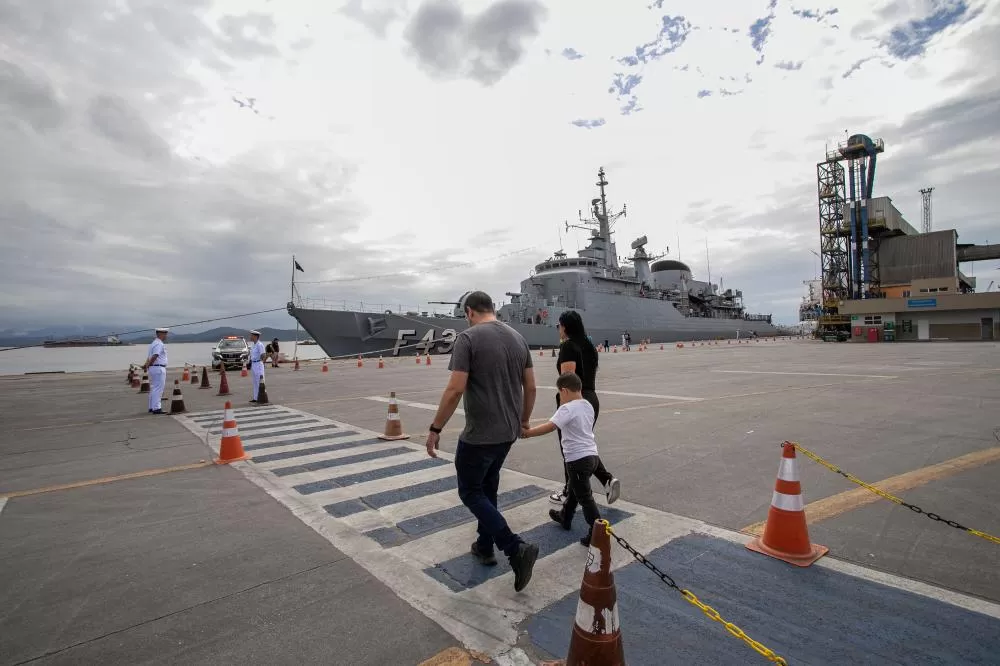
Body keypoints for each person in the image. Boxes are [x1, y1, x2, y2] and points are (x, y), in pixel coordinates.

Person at [425, 290, 540, 592]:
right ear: (492, 308)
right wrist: (524, 421)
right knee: (488, 488)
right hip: (507, 433)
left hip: (480, 435)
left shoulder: (468, 338)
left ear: (469, 312)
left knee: (470, 491)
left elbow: (455, 389)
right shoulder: (518, 338)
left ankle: (514, 548)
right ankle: (485, 546)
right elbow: (531, 387)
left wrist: (436, 428)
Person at [521, 372, 606, 546]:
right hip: (593, 457)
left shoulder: (567, 409)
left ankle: (597, 532)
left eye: (560, 393)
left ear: (564, 391)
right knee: (575, 488)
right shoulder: (588, 405)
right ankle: (565, 516)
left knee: (585, 498)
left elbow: (551, 426)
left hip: (577, 459)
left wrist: (528, 433)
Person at [549, 310, 620, 505]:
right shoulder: (589, 345)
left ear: (565, 326)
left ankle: (568, 492)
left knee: (570, 449)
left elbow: (568, 379)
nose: (558, 329)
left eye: (559, 325)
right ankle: (606, 480)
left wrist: (565, 409)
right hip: (591, 398)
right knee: (583, 445)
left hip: (575, 400)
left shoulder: (568, 346)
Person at [143, 327, 169, 414]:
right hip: (158, 368)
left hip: (154, 368)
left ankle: (151, 407)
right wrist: (148, 364)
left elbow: (149, 357)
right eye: (165, 333)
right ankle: (157, 408)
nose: (166, 335)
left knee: (154, 388)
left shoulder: (153, 343)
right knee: (158, 389)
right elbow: (155, 356)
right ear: (160, 334)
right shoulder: (159, 344)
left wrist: (146, 365)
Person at [248, 330, 266, 403]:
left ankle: (263, 396)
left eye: (251, 335)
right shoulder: (253, 345)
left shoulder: (260, 345)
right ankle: (255, 398)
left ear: (255, 336)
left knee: (260, 381)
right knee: (255, 382)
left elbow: (263, 355)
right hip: (254, 364)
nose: (250, 337)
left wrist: (260, 362)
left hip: (258, 364)